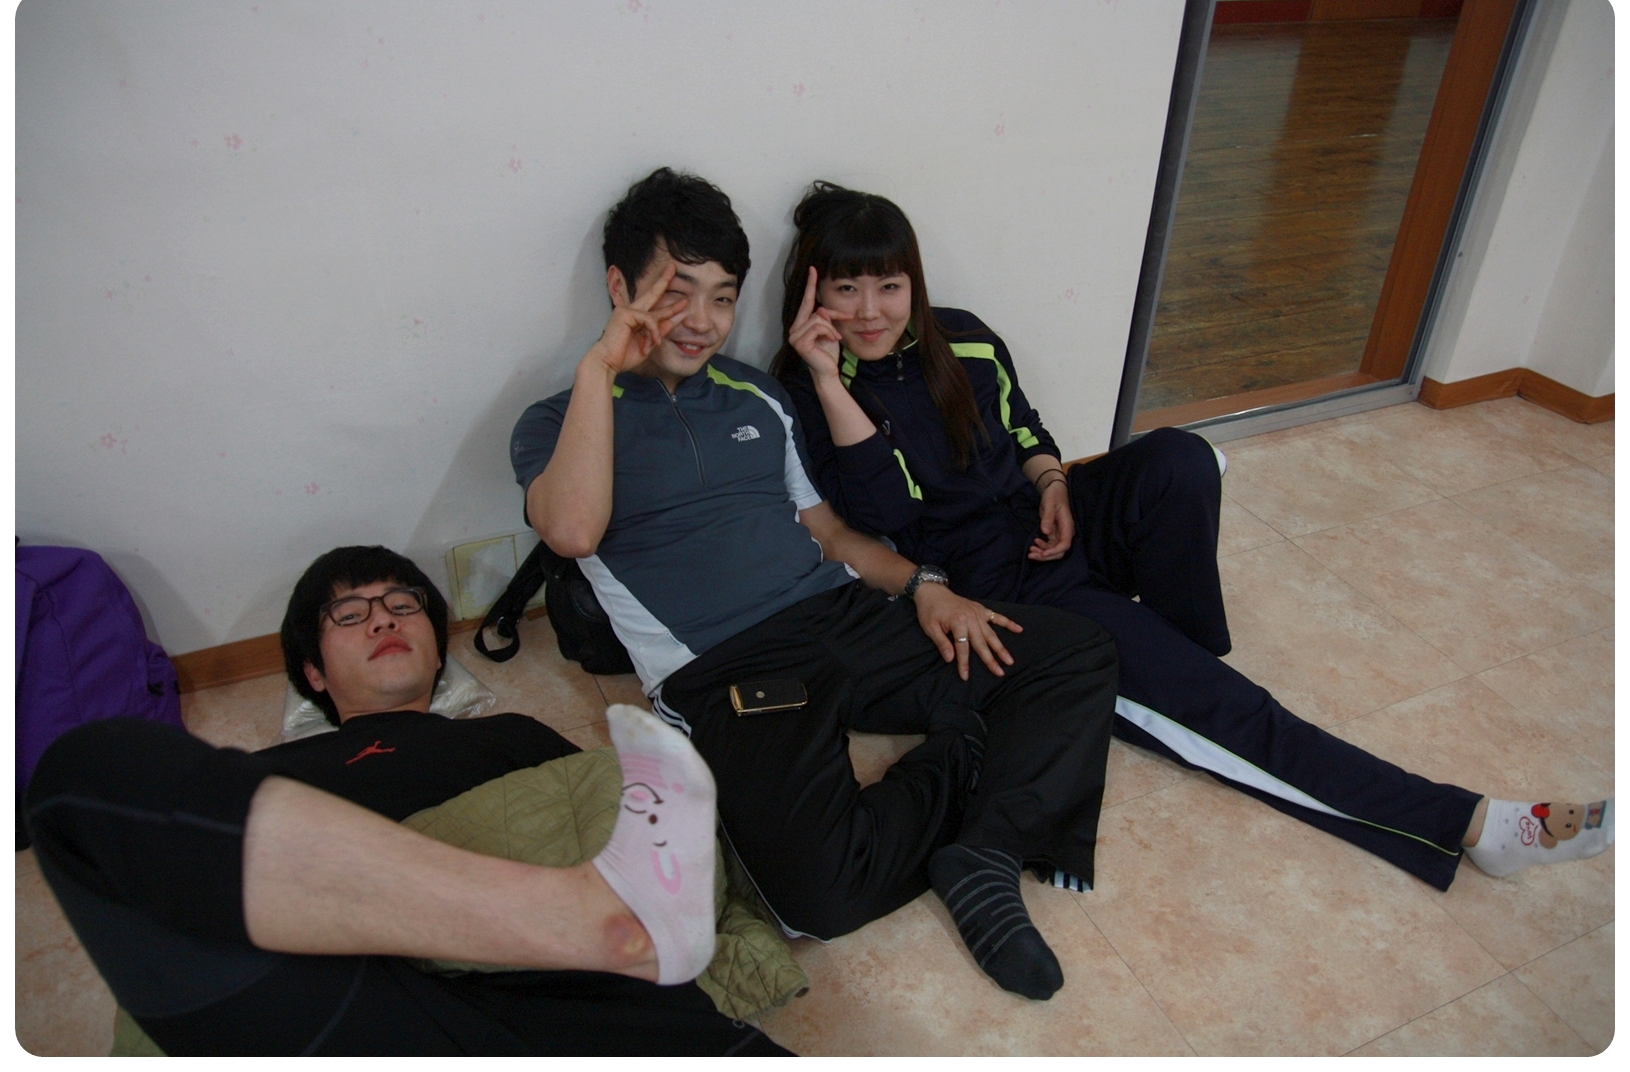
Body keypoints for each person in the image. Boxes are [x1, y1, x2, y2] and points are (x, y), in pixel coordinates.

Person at [769, 180, 1614, 893]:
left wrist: (1055, 483)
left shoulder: (964, 336)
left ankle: (1184, 658)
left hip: (1046, 524)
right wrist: (828, 378)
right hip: (995, 584)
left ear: (913, 283)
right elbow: (881, 514)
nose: (870, 311)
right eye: (846, 290)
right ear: (812, 297)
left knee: (1181, 458)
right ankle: (1473, 823)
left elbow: (1025, 427)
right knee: (1239, 714)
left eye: (888, 286)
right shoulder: (806, 392)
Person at [510, 167, 1121, 1001]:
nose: (702, 321)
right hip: (730, 668)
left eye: (723, 298)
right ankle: (970, 760)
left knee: (1072, 652)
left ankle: (985, 852)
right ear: (620, 289)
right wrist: (599, 368)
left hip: (845, 614)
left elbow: (831, 533)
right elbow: (573, 531)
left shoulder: (758, 396)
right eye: (674, 294)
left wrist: (925, 587)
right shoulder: (557, 419)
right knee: (820, 898)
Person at [23, 544, 790, 1056]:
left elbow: (618, 827)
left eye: (402, 603)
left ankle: (594, 924)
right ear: (313, 673)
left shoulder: (513, 734)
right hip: (353, 1008)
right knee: (89, 770)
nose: (383, 616)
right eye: (349, 614)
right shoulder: (263, 780)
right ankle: (584, 918)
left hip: (566, 996)